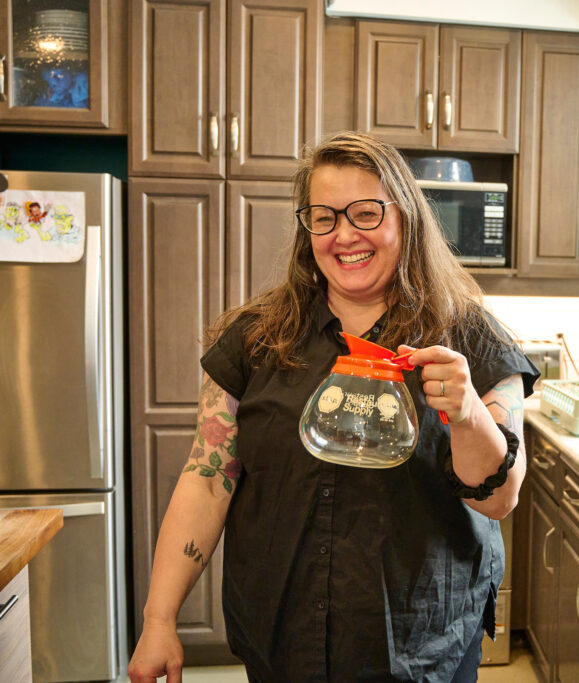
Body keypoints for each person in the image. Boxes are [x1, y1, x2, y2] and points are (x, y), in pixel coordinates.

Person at [128, 131, 540, 682]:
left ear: (406, 219)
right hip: (282, 638)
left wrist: (465, 415)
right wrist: (159, 618)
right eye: (324, 217)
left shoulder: (472, 338)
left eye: (366, 213)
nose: (344, 234)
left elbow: (501, 499)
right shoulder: (255, 340)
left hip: (421, 647)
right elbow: (207, 480)